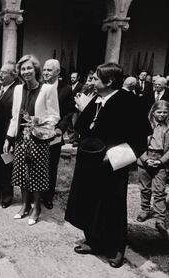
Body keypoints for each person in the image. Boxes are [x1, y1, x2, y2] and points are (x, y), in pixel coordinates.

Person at [65, 62, 150, 268]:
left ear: (109, 81)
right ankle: (94, 240)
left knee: (112, 206)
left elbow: (140, 137)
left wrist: (113, 156)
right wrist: (85, 108)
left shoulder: (128, 101)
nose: (91, 81)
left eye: (95, 78)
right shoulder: (97, 98)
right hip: (89, 163)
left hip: (112, 165)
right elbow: (85, 126)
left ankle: (116, 248)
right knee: (90, 203)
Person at [4, 54, 59, 225]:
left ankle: (36, 208)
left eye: (29, 68)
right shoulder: (18, 89)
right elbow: (15, 116)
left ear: (35, 69)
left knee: (36, 174)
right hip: (21, 138)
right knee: (21, 173)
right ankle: (25, 205)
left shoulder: (47, 89)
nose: (26, 71)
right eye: (22, 68)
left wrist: (39, 121)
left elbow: (54, 116)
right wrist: (8, 138)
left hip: (38, 139)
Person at [41, 59, 74, 210]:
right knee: (35, 164)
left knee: (51, 166)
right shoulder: (38, 86)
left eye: (49, 70)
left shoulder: (66, 89)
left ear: (58, 72)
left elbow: (68, 112)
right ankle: (34, 194)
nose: (45, 72)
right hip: (37, 132)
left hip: (54, 134)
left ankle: (47, 197)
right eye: (44, 69)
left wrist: (61, 128)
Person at [137, 100, 169, 238]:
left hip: (161, 158)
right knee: (145, 187)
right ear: (153, 112)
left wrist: (161, 161)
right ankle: (145, 209)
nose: (161, 115)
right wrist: (145, 159)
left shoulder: (168, 127)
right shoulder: (145, 125)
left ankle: (160, 218)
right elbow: (137, 143)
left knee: (159, 190)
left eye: (165, 112)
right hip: (146, 156)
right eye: (159, 112)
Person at [0, 62, 19, 208]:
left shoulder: (17, 90)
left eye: (4, 72)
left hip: (8, 135)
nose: (0, 74)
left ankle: (7, 195)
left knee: (7, 165)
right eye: (0, 71)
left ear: (13, 75)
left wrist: (11, 137)